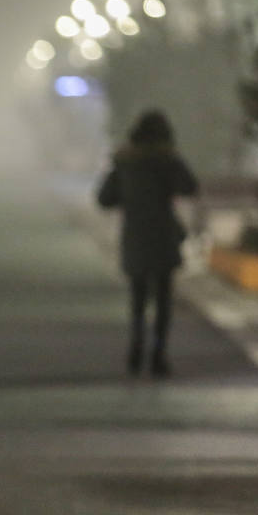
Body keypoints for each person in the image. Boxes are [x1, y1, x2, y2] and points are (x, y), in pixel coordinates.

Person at [97, 110, 199, 378]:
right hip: (163, 236)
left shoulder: (124, 161)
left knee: (138, 298)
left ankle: (136, 349)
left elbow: (105, 198)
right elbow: (190, 186)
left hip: (136, 237)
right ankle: (159, 355)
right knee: (164, 300)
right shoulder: (169, 159)